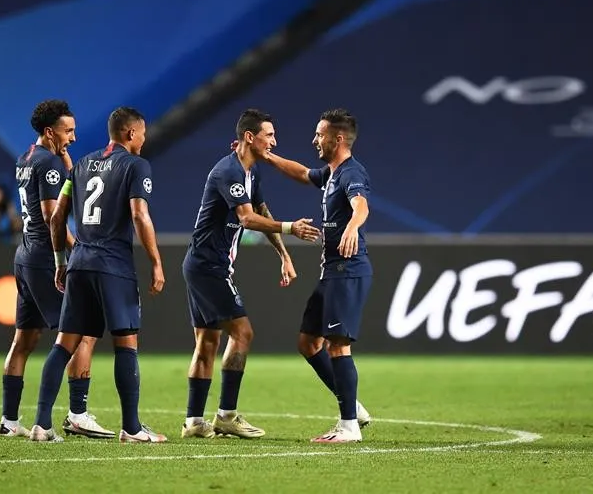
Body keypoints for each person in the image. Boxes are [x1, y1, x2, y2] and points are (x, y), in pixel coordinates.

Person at [181, 108, 321, 440]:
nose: (274, 141)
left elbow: (261, 211)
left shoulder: (251, 173)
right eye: (269, 135)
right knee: (243, 333)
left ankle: (194, 422)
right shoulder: (229, 170)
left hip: (203, 265)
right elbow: (246, 219)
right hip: (208, 266)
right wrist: (290, 229)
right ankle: (227, 415)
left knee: (208, 341)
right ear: (249, 137)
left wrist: (283, 254)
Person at [29, 106, 167, 443]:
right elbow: (139, 215)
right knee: (126, 344)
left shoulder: (79, 165)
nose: (145, 139)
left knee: (64, 343)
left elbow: (57, 218)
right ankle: (132, 428)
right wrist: (156, 261)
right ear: (130, 133)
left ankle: (41, 424)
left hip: (79, 263)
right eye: (143, 132)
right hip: (113, 266)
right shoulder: (136, 165)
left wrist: (62, 261)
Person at [0, 99, 113, 440]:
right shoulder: (48, 164)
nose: (74, 138)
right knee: (83, 332)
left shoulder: (27, 158)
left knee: (25, 338)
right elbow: (53, 217)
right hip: (47, 259)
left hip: (24, 256)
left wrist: (64, 159)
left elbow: (62, 183)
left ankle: (9, 421)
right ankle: (76, 414)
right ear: (50, 132)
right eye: (68, 131)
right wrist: (80, 250)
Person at [263, 108, 373, 443]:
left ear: (337, 138)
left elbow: (361, 205)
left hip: (348, 270)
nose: (314, 140)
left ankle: (349, 425)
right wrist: (268, 157)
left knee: (338, 346)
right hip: (331, 272)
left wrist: (353, 227)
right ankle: (352, 405)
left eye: (319, 134)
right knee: (308, 343)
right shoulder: (332, 173)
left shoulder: (352, 172)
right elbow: (301, 173)